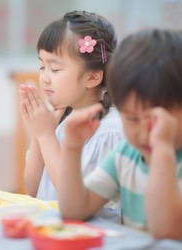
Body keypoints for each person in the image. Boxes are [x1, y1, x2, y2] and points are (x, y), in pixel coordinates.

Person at [57, 28, 182, 239]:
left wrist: (162, 150)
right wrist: (72, 146)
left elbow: (165, 230)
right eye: (132, 119)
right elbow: (74, 210)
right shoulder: (126, 153)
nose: (145, 132)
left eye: (156, 120)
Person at [19, 11, 123, 205]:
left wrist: (45, 136)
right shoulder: (60, 119)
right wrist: (39, 131)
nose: (45, 78)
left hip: (93, 232)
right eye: (42, 67)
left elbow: (75, 200)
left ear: (92, 77)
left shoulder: (109, 130)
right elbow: (32, 188)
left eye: (55, 69)